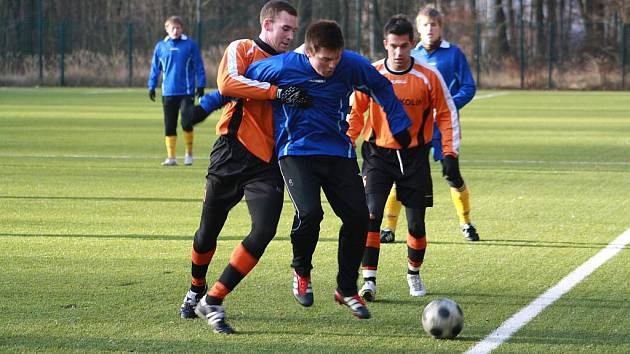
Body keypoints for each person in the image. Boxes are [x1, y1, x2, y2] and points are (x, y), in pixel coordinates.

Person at [239, 20, 413, 320]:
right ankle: (301, 272)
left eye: (336, 58)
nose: (331, 65)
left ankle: (346, 288)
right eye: (324, 60)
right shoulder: (281, 67)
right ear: (308, 52)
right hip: (296, 153)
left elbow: (381, 87)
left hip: (338, 153)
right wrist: (206, 106)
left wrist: (399, 124)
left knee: (360, 217)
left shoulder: (351, 64)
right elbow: (240, 83)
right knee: (310, 213)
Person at [178, 1, 307, 335]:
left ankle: (215, 297)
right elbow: (229, 85)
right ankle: (195, 288)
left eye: (294, 30)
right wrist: (277, 92)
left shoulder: (292, 63)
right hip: (230, 154)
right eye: (285, 28)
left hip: (268, 163)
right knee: (208, 232)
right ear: (267, 24)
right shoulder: (243, 48)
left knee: (264, 230)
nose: (290, 36)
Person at [347, 15, 459, 301]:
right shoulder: (370, 75)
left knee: (416, 225)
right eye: (393, 46)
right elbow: (355, 115)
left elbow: (446, 115)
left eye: (404, 46)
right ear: (385, 44)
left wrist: (449, 153)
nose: (399, 52)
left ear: (412, 44)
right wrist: (346, 148)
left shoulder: (428, 76)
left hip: (414, 157)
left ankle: (414, 273)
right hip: (377, 156)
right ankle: (369, 279)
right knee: (370, 215)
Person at [379, 6, 479, 243]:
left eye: (434, 25)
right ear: (418, 31)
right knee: (401, 174)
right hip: (414, 129)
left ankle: (466, 223)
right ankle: (389, 227)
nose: (430, 29)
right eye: (425, 25)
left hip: (442, 127)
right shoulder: (410, 55)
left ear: (441, 27)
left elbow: (468, 87)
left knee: (451, 173)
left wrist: (447, 104)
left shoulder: (453, 54)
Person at [148, 16, 206, 166]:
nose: (175, 30)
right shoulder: (161, 47)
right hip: (168, 92)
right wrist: (151, 86)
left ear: (182, 28)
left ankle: (189, 154)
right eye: (172, 28)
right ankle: (171, 157)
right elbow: (155, 69)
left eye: (178, 28)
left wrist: (201, 85)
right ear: (167, 29)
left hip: (186, 92)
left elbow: (199, 66)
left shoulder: (190, 45)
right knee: (169, 124)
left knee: (187, 122)